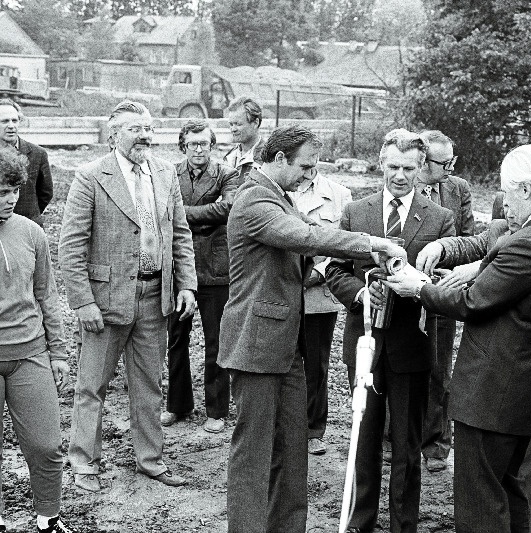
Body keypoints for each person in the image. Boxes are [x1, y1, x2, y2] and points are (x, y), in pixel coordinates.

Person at [387, 144, 531, 533]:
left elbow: (472, 301)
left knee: (480, 501)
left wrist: (418, 288)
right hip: (525, 387)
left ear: (527, 190)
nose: (503, 205)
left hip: (492, 391)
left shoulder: (530, 242)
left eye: (507, 193)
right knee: (508, 489)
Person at [217, 124, 407, 533]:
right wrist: (375, 244)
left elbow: (319, 237)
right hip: (255, 342)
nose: (310, 175)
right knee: (253, 454)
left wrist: (364, 268)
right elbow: (307, 236)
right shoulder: (254, 200)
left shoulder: (280, 198)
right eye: (305, 166)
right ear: (280, 159)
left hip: (286, 344)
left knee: (292, 450)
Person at [59, 101, 198, 492]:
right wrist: (83, 302)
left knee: (149, 385)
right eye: (135, 128)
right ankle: (84, 461)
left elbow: (181, 234)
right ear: (113, 135)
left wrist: (186, 284)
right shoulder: (90, 176)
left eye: (149, 128)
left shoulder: (166, 173)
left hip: (156, 296)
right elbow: (71, 246)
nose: (145, 135)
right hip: (105, 300)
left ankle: (150, 460)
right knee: (92, 387)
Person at [326, 129, 455, 533]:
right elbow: (334, 270)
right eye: (393, 167)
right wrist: (364, 292)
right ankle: (360, 522)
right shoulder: (356, 212)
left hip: (412, 346)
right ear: (380, 164)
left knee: (406, 446)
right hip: (365, 345)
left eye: (409, 168)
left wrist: (416, 284)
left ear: (422, 169)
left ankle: (404, 524)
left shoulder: (439, 219)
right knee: (364, 442)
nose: (400, 176)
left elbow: (445, 281)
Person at [0, 146, 71, 533]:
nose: (9, 199)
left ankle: (48, 518)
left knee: (46, 445)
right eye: (0, 192)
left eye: (13, 190)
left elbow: (47, 294)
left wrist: (57, 351)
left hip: (30, 354)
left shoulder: (32, 233)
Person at [161, 120, 239, 433]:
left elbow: (228, 209)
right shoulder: (169, 173)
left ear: (212, 145)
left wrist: (182, 214)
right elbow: (161, 209)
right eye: (192, 144)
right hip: (179, 267)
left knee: (216, 341)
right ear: (183, 145)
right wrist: (205, 212)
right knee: (176, 340)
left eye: (204, 144)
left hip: (215, 269)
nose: (198, 150)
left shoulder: (227, 174)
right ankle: (177, 405)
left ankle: (216, 410)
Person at [414, 129, 474, 473]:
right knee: (400, 364)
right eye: (443, 162)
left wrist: (452, 271)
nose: (450, 168)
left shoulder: (457, 189)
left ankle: (436, 444)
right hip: (406, 291)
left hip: (443, 291)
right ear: (423, 160)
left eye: (453, 161)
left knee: (439, 369)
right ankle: (393, 439)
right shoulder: (401, 187)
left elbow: (468, 240)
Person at [288, 167, 353, 456]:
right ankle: (287, 427)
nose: (305, 167)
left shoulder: (339, 194)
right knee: (285, 361)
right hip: (284, 290)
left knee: (316, 364)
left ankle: (314, 429)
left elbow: (341, 246)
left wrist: (316, 273)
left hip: (318, 293)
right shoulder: (280, 189)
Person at [0, 99, 52, 227]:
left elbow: (45, 193)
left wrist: (31, 213)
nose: (11, 125)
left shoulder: (38, 154)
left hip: (28, 225)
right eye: (5, 121)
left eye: (15, 120)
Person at [223, 96, 265, 180]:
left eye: (238, 124)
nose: (233, 129)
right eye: (231, 124)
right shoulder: (230, 157)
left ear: (255, 123)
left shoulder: (267, 159)